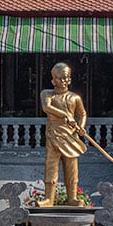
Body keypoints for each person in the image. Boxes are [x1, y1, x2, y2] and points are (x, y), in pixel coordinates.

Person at [40, 62, 88, 206]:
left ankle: (72, 197)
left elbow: (82, 114)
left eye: (66, 78)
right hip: (54, 135)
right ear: (53, 80)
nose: (63, 81)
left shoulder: (75, 98)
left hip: (71, 137)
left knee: (71, 168)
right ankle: (49, 198)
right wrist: (64, 115)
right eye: (60, 78)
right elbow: (46, 107)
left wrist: (81, 126)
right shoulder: (47, 94)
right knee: (51, 166)